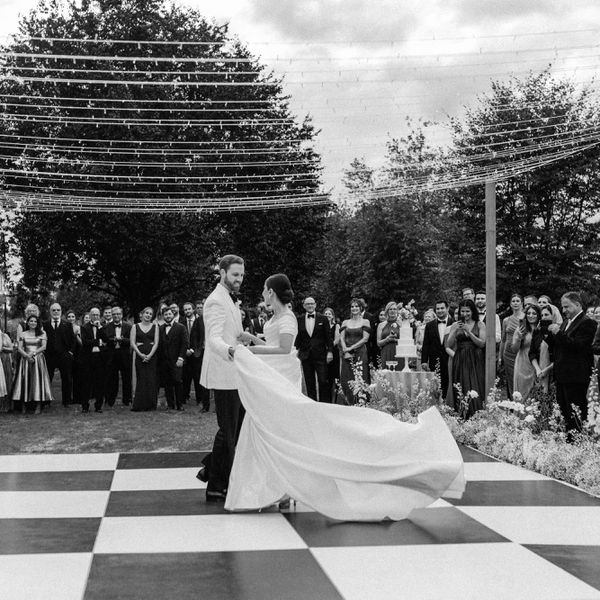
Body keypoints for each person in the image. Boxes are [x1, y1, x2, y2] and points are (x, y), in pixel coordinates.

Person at [224, 273, 465, 521]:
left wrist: (249, 350)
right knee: (275, 429)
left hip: (282, 376)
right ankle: (278, 487)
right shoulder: (278, 317)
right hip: (275, 374)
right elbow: (277, 345)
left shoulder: (286, 317)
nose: (262, 294)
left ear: (272, 292)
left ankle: (284, 487)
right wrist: (253, 339)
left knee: (287, 428)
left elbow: (285, 349)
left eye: (264, 289)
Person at [197, 255, 246, 503]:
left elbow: (235, 332)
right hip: (223, 373)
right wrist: (230, 350)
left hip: (235, 373)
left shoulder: (229, 299)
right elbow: (214, 338)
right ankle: (216, 485)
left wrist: (255, 340)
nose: (239, 279)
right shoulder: (215, 301)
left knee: (235, 430)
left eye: (241, 274)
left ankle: (210, 469)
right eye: (235, 274)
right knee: (228, 431)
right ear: (223, 272)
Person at [548, 292, 596, 434]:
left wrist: (559, 333)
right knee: (564, 413)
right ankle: (567, 443)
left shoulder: (587, 322)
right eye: (562, 307)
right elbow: (559, 347)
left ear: (577, 304)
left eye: (566, 307)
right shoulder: (565, 322)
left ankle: (577, 442)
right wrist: (547, 335)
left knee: (576, 413)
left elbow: (579, 347)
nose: (563, 311)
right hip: (562, 376)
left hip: (576, 377)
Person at [446, 299, 486, 418]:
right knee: (460, 384)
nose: (465, 314)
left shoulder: (480, 324)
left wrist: (469, 332)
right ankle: (461, 413)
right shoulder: (455, 325)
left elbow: (482, 343)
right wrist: (455, 331)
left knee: (475, 383)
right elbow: (448, 344)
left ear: (472, 311)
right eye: (462, 311)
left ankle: (476, 414)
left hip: (475, 357)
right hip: (460, 357)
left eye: (467, 311)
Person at [12, 314, 53, 414]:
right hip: (25, 360)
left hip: (38, 359)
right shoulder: (23, 334)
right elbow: (19, 348)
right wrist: (26, 356)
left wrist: (33, 354)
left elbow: (44, 347)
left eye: (35, 321)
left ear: (37, 323)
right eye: (31, 321)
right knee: (25, 381)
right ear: (28, 322)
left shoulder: (42, 333)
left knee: (37, 381)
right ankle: (24, 406)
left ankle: (38, 406)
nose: (33, 323)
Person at [295, 296, 333, 402]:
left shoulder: (323, 318)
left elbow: (328, 337)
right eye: (308, 304)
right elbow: (298, 338)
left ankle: (324, 405)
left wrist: (330, 352)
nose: (310, 306)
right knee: (309, 382)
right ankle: (312, 405)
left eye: (312, 303)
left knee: (323, 381)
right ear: (304, 306)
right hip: (306, 355)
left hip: (320, 355)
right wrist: (295, 351)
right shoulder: (299, 319)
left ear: (315, 305)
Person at [43, 302, 76, 407]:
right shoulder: (45, 325)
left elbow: (73, 340)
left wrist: (70, 352)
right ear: (50, 312)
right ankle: (46, 401)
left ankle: (66, 401)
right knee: (47, 378)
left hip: (64, 356)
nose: (56, 312)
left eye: (58, 310)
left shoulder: (67, 324)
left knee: (66, 378)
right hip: (49, 356)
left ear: (61, 311)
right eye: (54, 310)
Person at [339, 298, 371, 405]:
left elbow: (365, 339)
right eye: (352, 306)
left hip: (360, 352)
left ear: (361, 308)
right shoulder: (345, 322)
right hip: (347, 353)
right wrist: (345, 349)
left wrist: (351, 348)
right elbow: (342, 338)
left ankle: (361, 402)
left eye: (356, 306)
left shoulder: (365, 321)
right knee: (346, 378)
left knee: (360, 376)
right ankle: (348, 402)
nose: (354, 308)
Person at [421, 300, 454, 397]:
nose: (440, 311)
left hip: (449, 359)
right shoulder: (429, 325)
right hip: (434, 360)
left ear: (447, 309)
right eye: (438, 309)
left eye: (442, 308)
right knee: (435, 387)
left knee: (449, 384)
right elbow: (426, 344)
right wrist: (424, 361)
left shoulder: (454, 324)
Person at [159, 307, 188, 411]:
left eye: (169, 314)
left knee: (178, 382)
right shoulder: (160, 328)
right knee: (167, 383)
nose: (168, 316)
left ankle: (180, 405)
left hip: (176, 360)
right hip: (164, 361)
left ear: (173, 315)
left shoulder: (181, 327)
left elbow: (185, 344)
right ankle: (170, 405)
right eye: (166, 314)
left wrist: (181, 358)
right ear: (163, 316)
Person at [130, 307, 159, 412]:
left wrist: (150, 355)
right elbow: (132, 342)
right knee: (141, 378)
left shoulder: (155, 327)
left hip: (152, 356)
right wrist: (140, 354)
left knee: (151, 379)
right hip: (139, 355)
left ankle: (151, 404)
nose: (148, 315)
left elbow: (156, 343)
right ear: (141, 314)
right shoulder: (135, 326)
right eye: (146, 313)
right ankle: (139, 404)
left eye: (150, 314)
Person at [80, 307, 108, 413]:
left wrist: (99, 328)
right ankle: (85, 406)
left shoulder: (103, 327)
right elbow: (85, 342)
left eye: (97, 315)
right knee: (86, 383)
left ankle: (98, 406)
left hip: (100, 358)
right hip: (88, 358)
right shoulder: (84, 327)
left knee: (100, 382)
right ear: (90, 315)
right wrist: (99, 342)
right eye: (93, 315)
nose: (96, 317)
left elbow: (106, 340)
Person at [182, 302, 210, 411]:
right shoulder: (199, 321)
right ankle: (204, 404)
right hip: (201, 352)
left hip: (214, 352)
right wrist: (195, 349)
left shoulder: (216, 319)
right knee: (201, 377)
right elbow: (194, 336)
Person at [103, 306, 132, 407]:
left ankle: (127, 399)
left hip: (124, 355)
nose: (116, 316)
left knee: (127, 378)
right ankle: (110, 400)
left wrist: (122, 340)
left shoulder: (129, 326)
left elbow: (131, 341)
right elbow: (105, 340)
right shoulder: (106, 327)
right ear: (111, 315)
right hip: (111, 356)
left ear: (122, 315)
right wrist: (114, 340)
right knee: (111, 378)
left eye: (118, 314)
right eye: (114, 314)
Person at [512, 304, 541, 400]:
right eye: (528, 313)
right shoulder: (521, 329)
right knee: (522, 394)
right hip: (523, 362)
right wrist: (519, 339)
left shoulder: (542, 328)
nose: (531, 315)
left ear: (539, 315)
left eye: (534, 313)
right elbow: (514, 349)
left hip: (539, 361)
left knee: (536, 393)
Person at [500, 294, 524, 399]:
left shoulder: (525, 318)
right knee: (510, 379)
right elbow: (503, 339)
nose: (515, 303)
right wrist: (500, 357)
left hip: (520, 351)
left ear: (521, 303)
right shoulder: (506, 320)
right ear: (510, 304)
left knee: (520, 378)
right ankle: (511, 404)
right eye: (513, 301)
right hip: (507, 353)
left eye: (517, 301)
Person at [529, 305, 556, 393]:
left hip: (553, 374)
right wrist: (538, 369)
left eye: (546, 315)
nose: (544, 317)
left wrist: (546, 370)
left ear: (553, 315)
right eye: (542, 315)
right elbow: (532, 353)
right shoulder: (537, 332)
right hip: (538, 372)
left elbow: (559, 356)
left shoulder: (559, 333)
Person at [323, 307, 340, 402]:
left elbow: (337, 339)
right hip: (323, 353)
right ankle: (327, 399)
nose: (327, 315)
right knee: (325, 377)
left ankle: (336, 399)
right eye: (326, 314)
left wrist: (329, 347)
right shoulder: (321, 325)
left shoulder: (336, 326)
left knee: (335, 377)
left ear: (333, 316)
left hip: (334, 352)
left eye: (329, 314)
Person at [377, 302, 400, 368]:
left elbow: (407, 341)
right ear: (387, 311)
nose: (392, 311)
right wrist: (387, 339)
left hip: (399, 352)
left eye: (394, 309)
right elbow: (378, 343)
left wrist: (395, 339)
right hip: (386, 351)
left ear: (397, 311)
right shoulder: (381, 325)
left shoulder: (402, 324)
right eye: (390, 309)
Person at [0, 328, 13, 411]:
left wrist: (3, 348)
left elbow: (11, 349)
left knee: (6, 382)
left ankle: (6, 405)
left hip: (5, 360)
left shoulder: (4, 336)